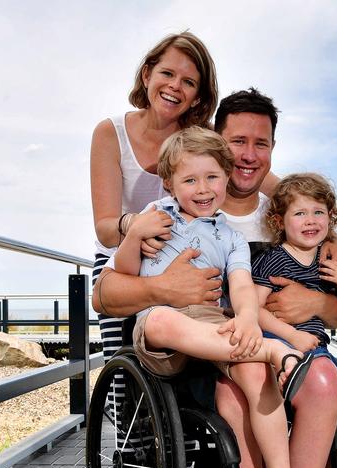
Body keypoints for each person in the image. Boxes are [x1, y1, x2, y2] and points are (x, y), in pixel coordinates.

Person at [112, 126, 310, 468]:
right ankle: (273, 349)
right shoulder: (156, 215)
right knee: (159, 321)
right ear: (170, 184)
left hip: (214, 325)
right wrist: (135, 235)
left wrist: (248, 317)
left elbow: (241, 285)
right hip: (165, 326)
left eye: (212, 177)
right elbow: (124, 272)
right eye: (190, 180)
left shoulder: (232, 238)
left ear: (226, 177)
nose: (203, 189)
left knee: (256, 373)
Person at [213, 88, 337, 468]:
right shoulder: (197, 206)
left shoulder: (291, 217)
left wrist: (312, 301)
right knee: (239, 398)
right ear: (217, 141)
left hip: (289, 348)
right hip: (227, 350)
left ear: (273, 148)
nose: (249, 155)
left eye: (262, 144)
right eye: (238, 141)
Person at [90, 31, 220, 362]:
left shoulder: (199, 142)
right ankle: (119, 409)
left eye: (189, 82)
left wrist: (322, 217)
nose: (175, 86)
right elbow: (105, 228)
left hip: (181, 253)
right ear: (147, 74)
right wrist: (139, 226)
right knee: (121, 369)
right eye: (167, 73)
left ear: (197, 96)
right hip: (121, 259)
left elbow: (260, 176)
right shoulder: (110, 133)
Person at [253, 172, 337, 468]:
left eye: (318, 212)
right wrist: (291, 333)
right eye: (300, 213)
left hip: (317, 351)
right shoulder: (274, 259)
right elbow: (253, 308)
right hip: (282, 347)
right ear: (280, 222)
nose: (310, 220)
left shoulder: (328, 261)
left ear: (331, 218)